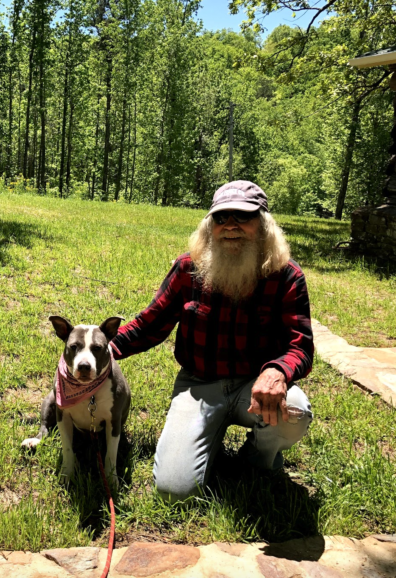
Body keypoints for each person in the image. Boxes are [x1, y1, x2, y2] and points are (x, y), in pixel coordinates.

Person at [110, 180, 314, 503]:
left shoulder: (286, 276)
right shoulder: (188, 270)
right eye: (221, 218)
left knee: (297, 411)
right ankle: (205, 441)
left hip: (255, 386)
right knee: (173, 491)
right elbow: (149, 325)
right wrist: (102, 349)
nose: (231, 226)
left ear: (262, 225)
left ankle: (257, 459)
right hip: (198, 386)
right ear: (209, 227)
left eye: (242, 217)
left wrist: (277, 371)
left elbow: (300, 345)